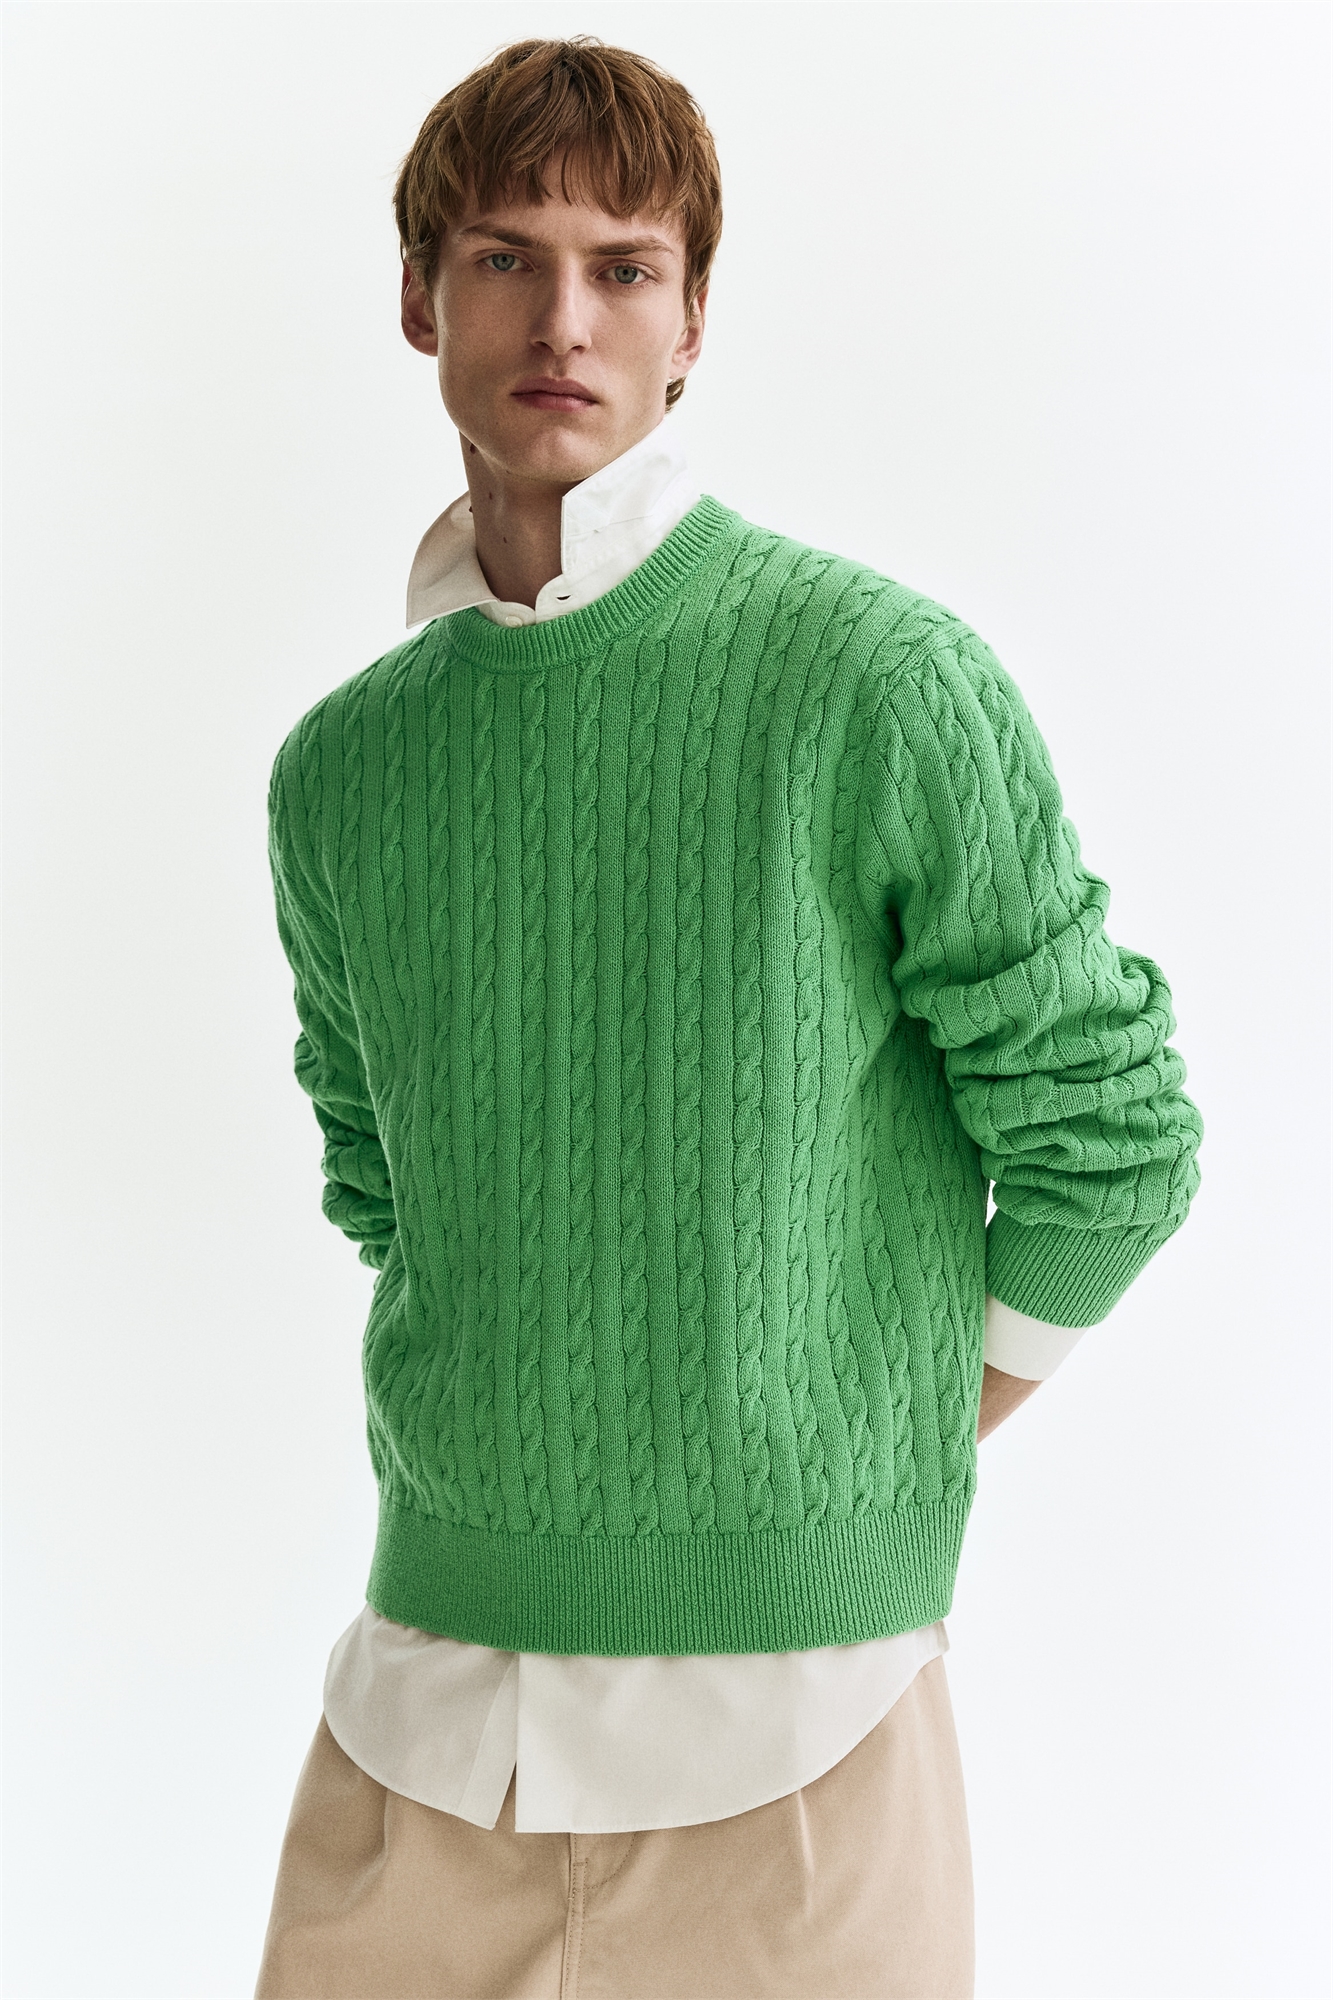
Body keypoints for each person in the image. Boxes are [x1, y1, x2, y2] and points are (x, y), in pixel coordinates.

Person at [254, 36, 1202, 2000]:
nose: (563, 319)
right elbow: (384, 1181)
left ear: (691, 324)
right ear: (419, 298)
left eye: (624, 267)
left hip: (801, 1752)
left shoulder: (875, 683)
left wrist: (878, 1429)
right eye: (505, 259)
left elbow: (1113, 1143)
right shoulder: (342, 771)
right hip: (417, 1740)